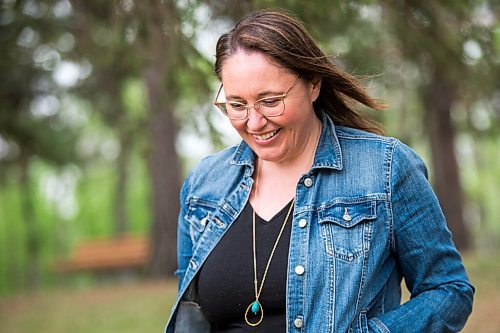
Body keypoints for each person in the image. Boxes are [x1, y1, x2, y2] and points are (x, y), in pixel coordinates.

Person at [165, 9, 474, 333]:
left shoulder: (386, 169)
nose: (254, 122)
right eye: (237, 104)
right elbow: (191, 314)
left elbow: (449, 290)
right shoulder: (204, 184)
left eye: (270, 101)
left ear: (313, 84)